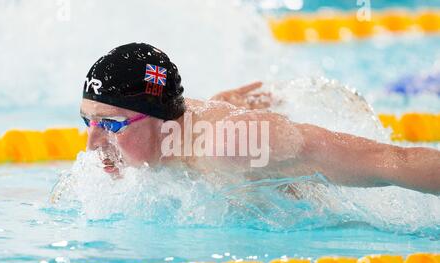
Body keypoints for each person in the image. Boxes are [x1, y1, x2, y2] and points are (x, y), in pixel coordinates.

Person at [80, 42, 440, 195]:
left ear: (161, 119)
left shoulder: (233, 144)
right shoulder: (161, 136)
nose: (92, 144)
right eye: (88, 121)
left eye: (110, 125)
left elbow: (388, 161)